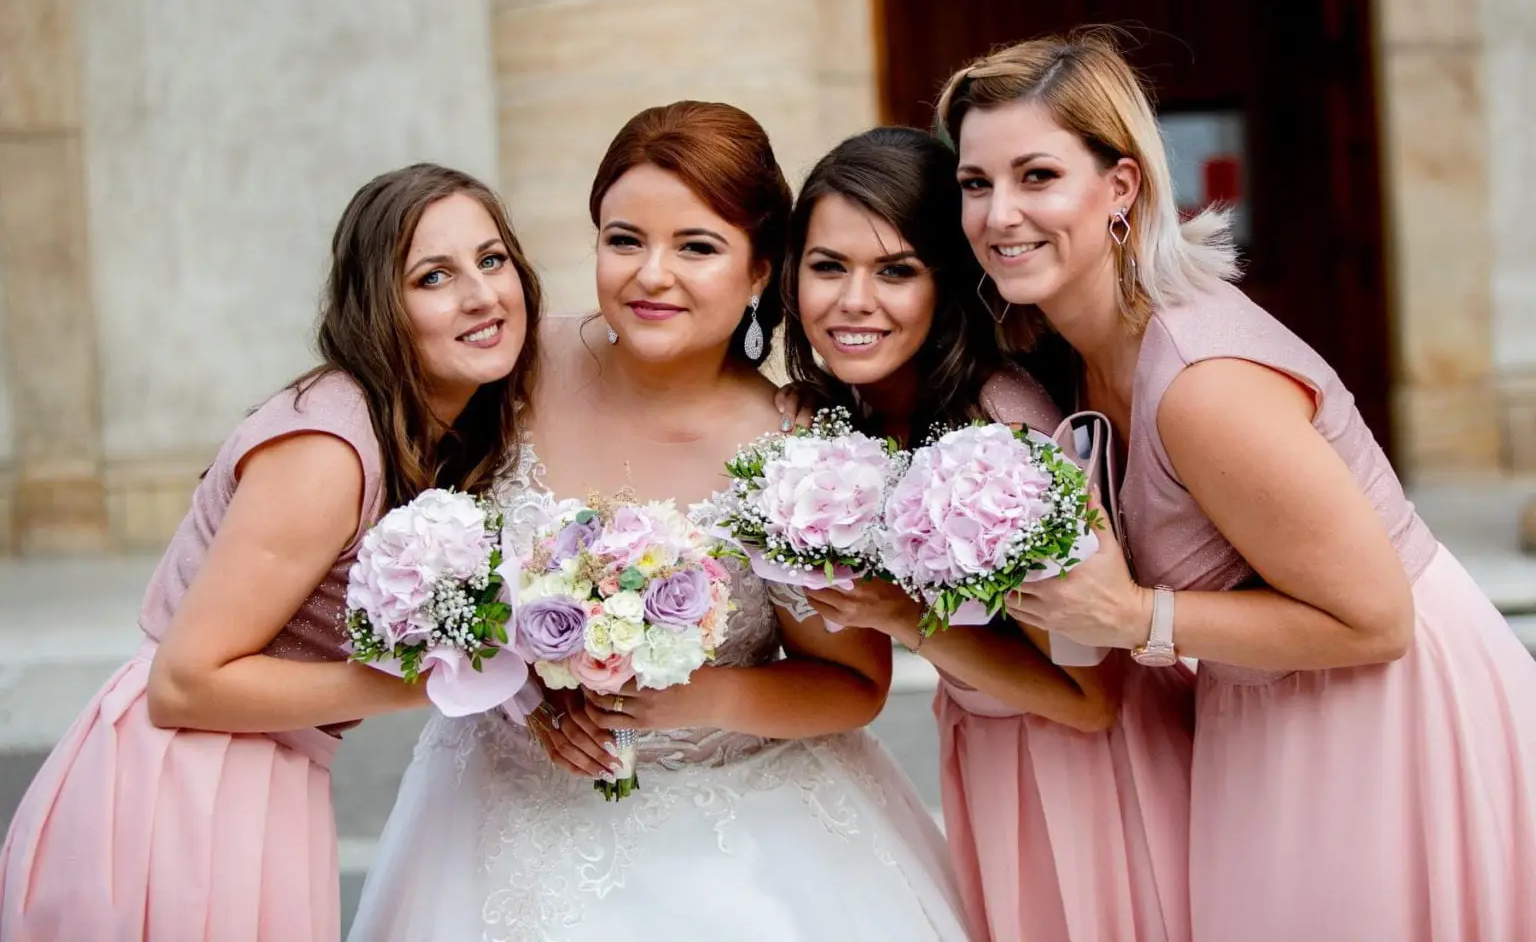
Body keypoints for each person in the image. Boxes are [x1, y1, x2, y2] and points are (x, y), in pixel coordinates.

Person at [940, 29, 1536, 940]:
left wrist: (1135, 615)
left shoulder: (1202, 385)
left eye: (1037, 177)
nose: (1000, 214)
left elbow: (1376, 620)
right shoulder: (1077, 354)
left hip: (1383, 714)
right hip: (1261, 713)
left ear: (1122, 187)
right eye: (976, 184)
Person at [348, 102, 973, 942]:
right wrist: (523, 695)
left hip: (743, 845)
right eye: (624, 240)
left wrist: (698, 696)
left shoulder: (797, 458)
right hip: (501, 817)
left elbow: (854, 686)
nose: (652, 275)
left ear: (760, 271)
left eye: (696, 248)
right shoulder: (513, 367)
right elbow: (431, 552)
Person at [0, 163, 543, 940]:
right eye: (434, 277)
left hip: (270, 770)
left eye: (492, 260)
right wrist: (444, 680)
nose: (482, 295)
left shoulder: (442, 432)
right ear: (381, 309)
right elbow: (184, 683)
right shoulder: (329, 447)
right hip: (188, 778)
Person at [778, 126, 1193, 941]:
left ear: (948, 283)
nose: (853, 300)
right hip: (991, 752)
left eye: (896, 270)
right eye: (828, 266)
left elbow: (1090, 701)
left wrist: (900, 616)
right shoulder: (857, 416)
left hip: (1087, 779)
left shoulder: (1003, 431)